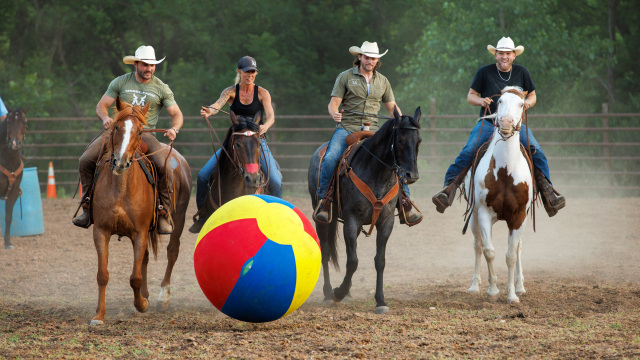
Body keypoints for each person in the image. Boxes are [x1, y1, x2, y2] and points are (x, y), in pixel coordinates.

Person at [431, 37, 565, 217]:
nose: (504, 56)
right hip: (489, 122)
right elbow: (471, 96)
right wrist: (481, 100)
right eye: (501, 53)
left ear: (514, 55)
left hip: (516, 126)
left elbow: (533, 95)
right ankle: (448, 189)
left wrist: (526, 103)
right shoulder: (484, 72)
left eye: (508, 53)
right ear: (495, 54)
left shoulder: (522, 73)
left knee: (537, 151)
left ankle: (548, 193)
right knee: (469, 149)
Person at [73, 45, 183, 233]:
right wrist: (106, 118)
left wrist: (174, 129)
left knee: (165, 165)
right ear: (136, 64)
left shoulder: (161, 88)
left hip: (144, 135)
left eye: (152, 65)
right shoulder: (120, 82)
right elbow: (101, 106)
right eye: (145, 65)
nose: (149, 69)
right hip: (117, 133)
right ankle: (87, 205)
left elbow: (177, 114)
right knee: (85, 160)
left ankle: (163, 212)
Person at [313, 41, 422, 225]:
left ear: (377, 61)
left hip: (374, 131)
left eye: (373, 58)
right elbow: (333, 104)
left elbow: (392, 108)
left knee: (396, 157)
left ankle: (405, 204)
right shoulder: (345, 77)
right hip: (347, 127)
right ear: (359, 57)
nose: (370, 61)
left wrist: (403, 123)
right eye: (367, 57)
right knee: (331, 157)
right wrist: (334, 113)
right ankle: (325, 201)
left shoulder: (383, 81)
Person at [193, 56, 282, 226]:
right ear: (239, 72)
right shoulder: (230, 91)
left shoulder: (263, 93)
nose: (250, 74)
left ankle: (276, 217)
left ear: (256, 73)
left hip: (256, 141)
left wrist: (266, 127)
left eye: (252, 71)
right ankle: (202, 216)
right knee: (203, 176)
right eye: (246, 71)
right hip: (235, 142)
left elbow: (271, 117)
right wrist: (209, 112)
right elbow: (217, 105)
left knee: (276, 181)